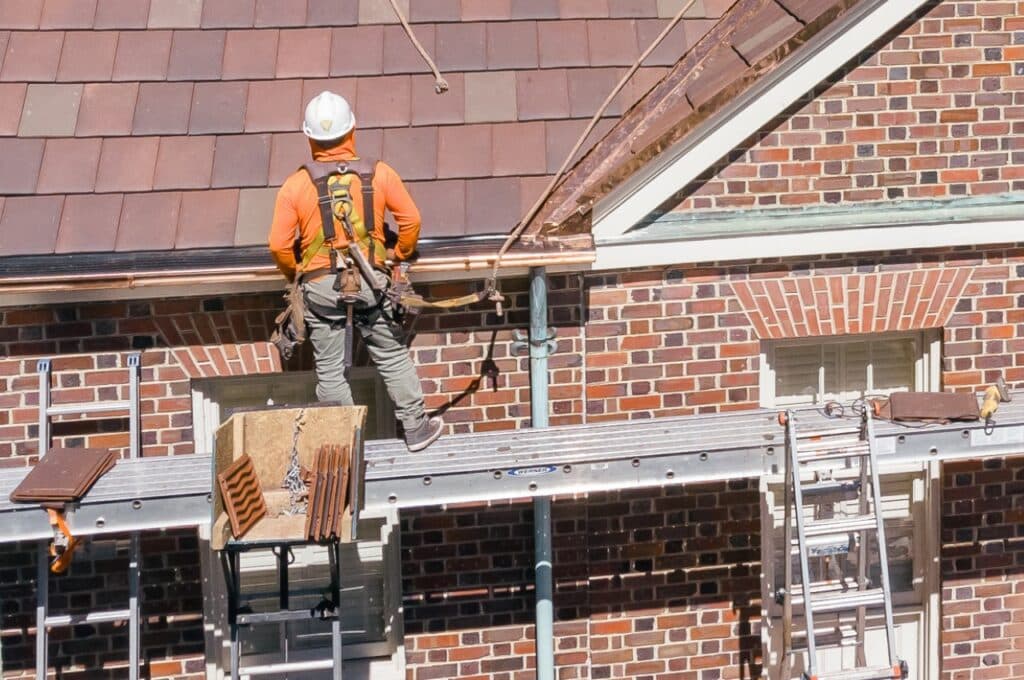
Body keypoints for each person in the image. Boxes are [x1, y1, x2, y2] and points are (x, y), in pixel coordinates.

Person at [268, 91, 443, 452]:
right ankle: (416, 429)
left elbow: (278, 246)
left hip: (321, 289)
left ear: (310, 137)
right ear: (352, 131)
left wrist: (296, 274)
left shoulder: (296, 186)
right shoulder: (379, 175)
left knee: (331, 371)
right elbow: (410, 220)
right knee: (391, 354)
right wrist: (398, 254)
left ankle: (345, 447)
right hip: (370, 283)